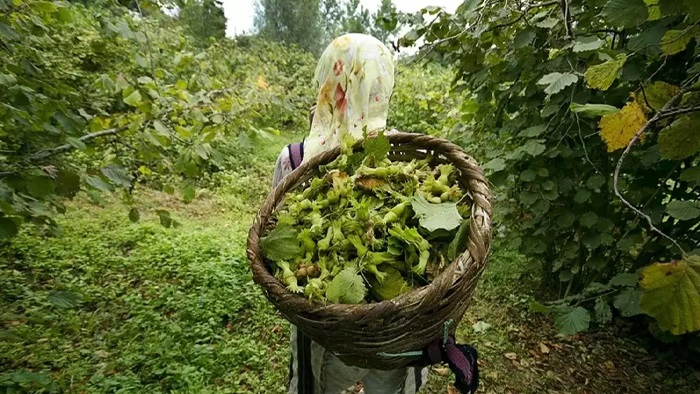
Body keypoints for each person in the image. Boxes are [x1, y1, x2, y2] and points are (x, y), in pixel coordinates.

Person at [271, 33, 428, 394]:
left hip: (325, 326)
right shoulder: (405, 154)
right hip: (394, 326)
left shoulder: (294, 159)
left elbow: (275, 235)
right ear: (383, 86)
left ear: (326, 82)